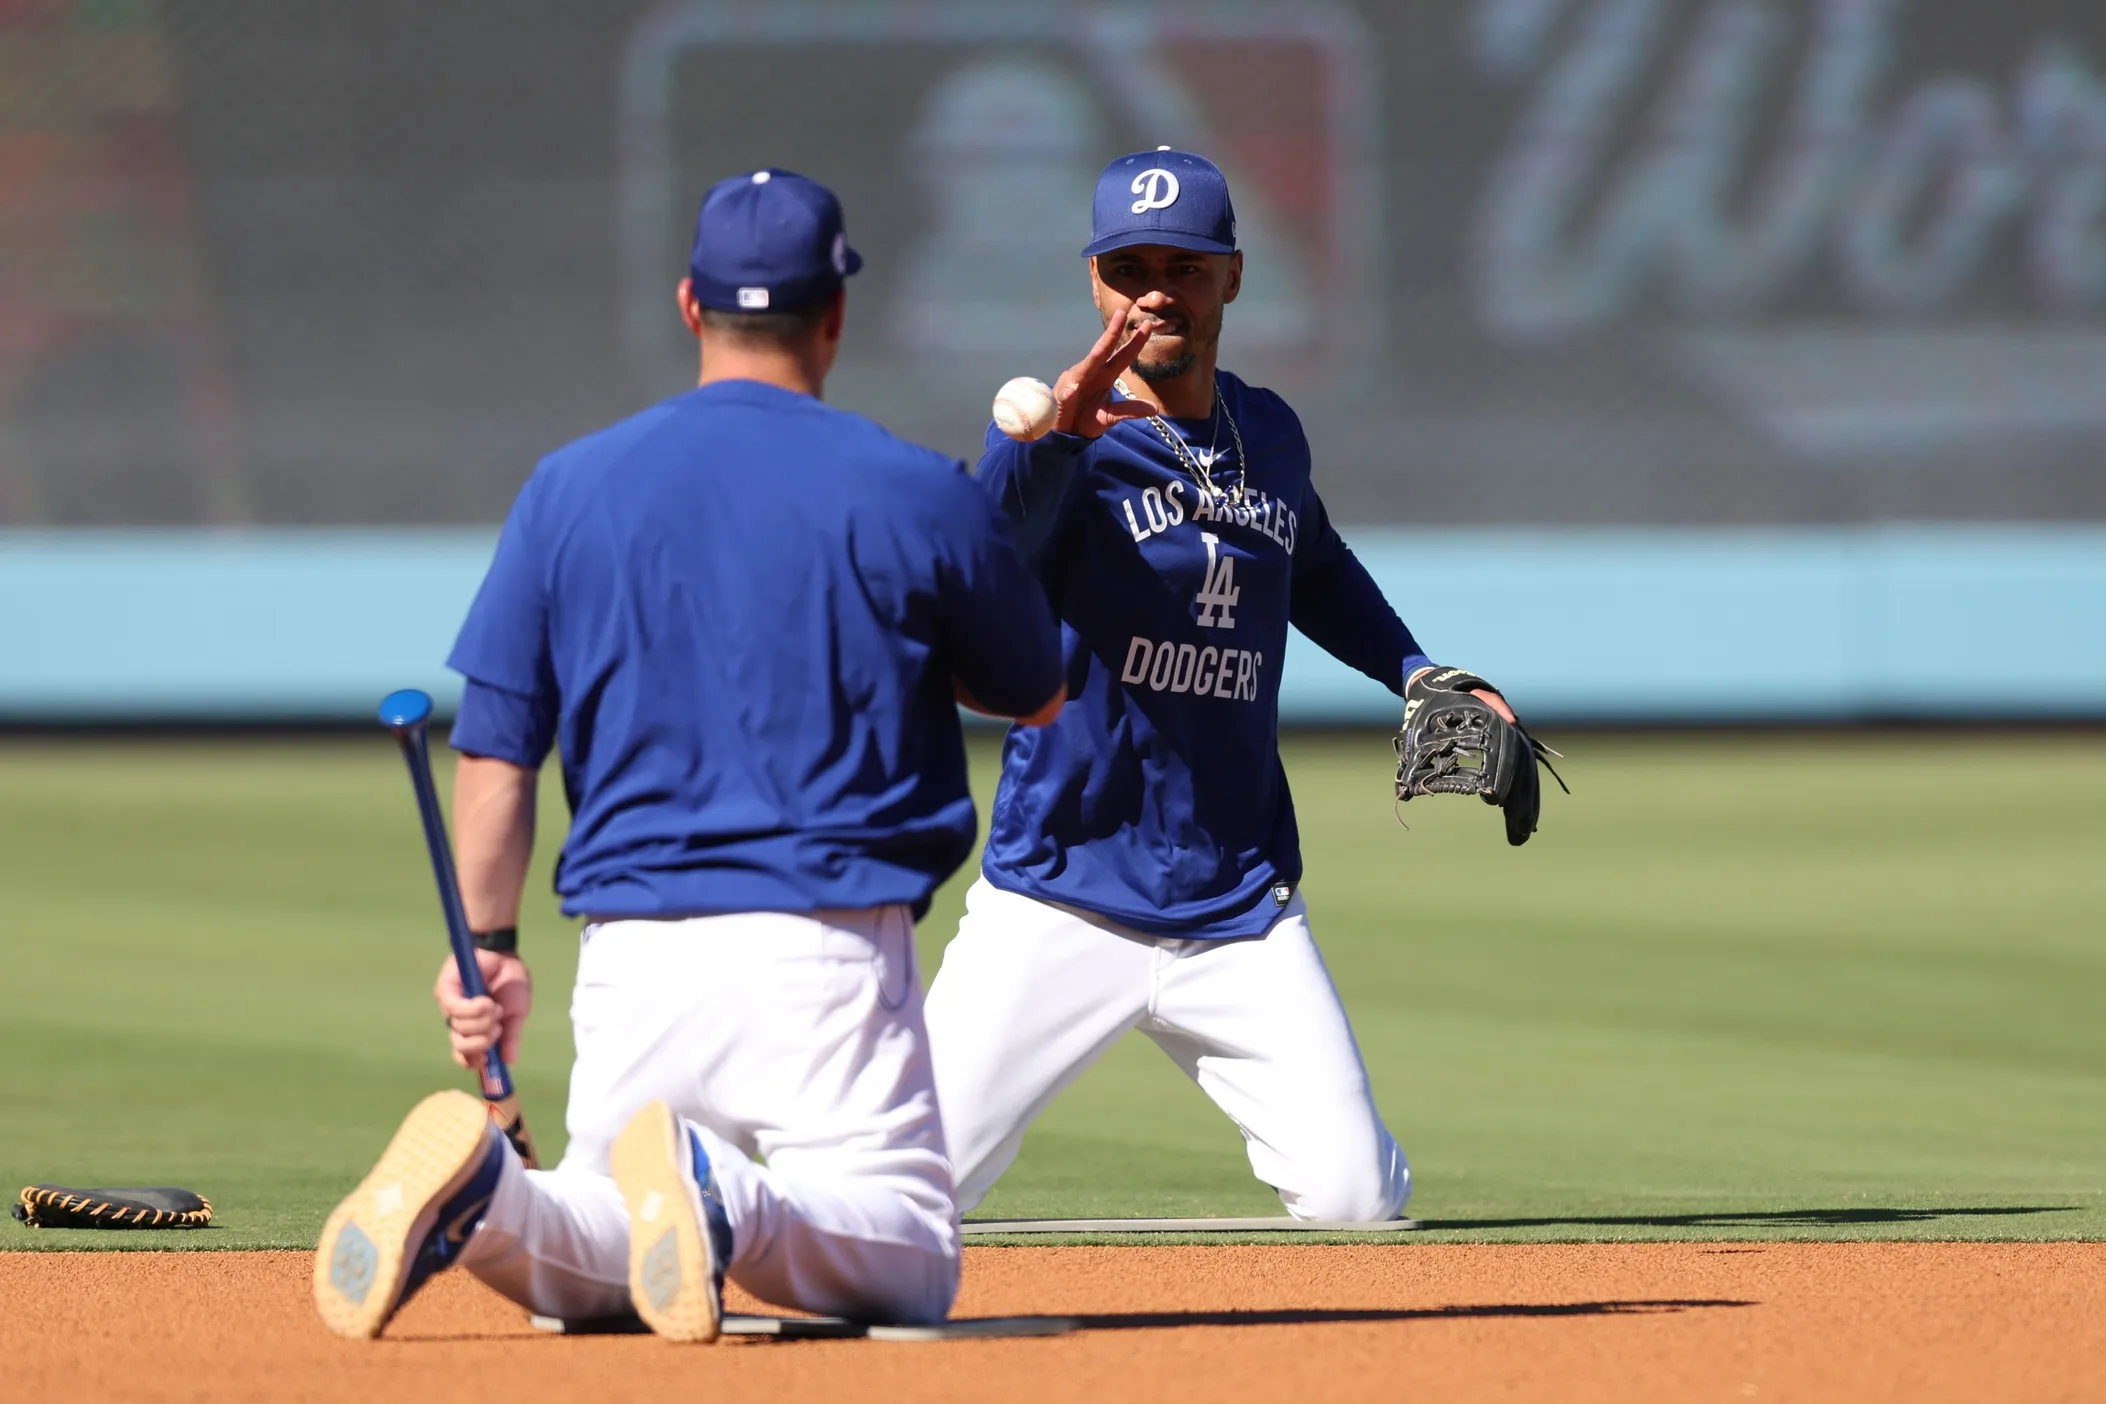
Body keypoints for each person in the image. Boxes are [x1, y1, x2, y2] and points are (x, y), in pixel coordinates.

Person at [313, 168, 1065, 1342]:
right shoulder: (916, 489)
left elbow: (498, 751)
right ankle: (728, 1206)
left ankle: (492, 1196)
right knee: (910, 1256)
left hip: (633, 957)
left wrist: (492, 950)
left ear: (688, 305)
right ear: (836, 313)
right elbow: (1035, 694)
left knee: (605, 1255)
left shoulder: (570, 488)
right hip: (824, 946)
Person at [923, 149, 1524, 1223]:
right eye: (1130, 267)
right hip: (1062, 893)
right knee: (901, 1188)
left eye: (1186, 266)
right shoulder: (1061, 442)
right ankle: (696, 1206)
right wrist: (1055, 438)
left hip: (1237, 903)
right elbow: (986, 559)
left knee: (1354, 1203)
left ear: (1233, 277)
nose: (1157, 289)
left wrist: (1416, 670)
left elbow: (1319, 567)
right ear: (1094, 282)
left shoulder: (1268, 433)